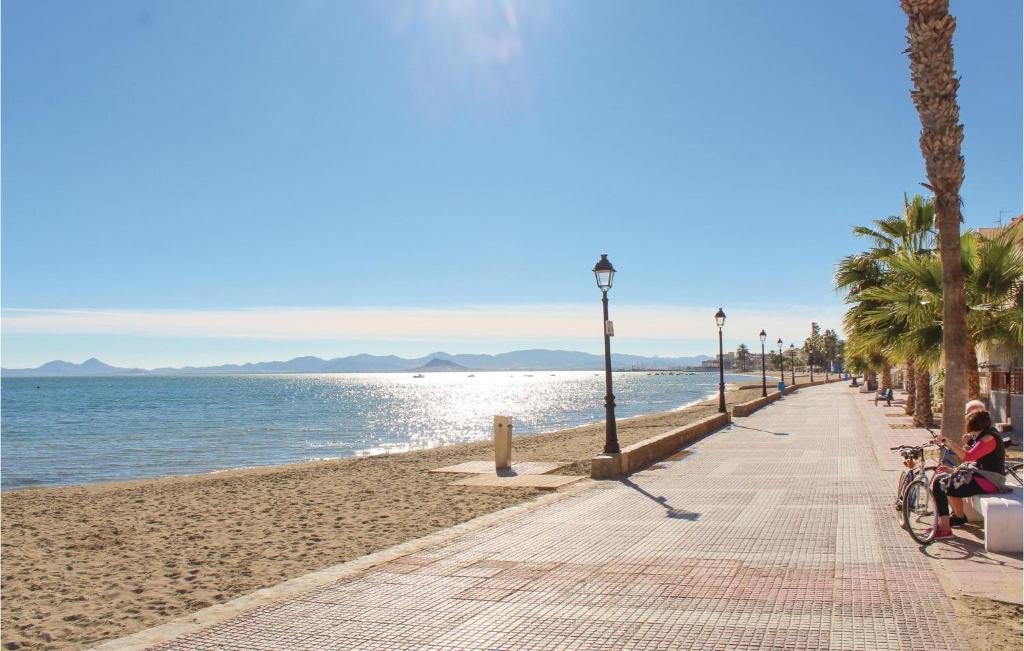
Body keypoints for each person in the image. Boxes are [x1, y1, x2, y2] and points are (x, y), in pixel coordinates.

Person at [928, 410, 1006, 539]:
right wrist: (953, 470)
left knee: (940, 484)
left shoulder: (989, 438)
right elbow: (979, 455)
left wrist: (949, 442)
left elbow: (968, 457)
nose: (971, 433)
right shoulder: (987, 434)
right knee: (945, 480)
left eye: (973, 430)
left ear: (979, 427)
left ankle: (945, 529)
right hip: (983, 476)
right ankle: (959, 517)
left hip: (990, 481)